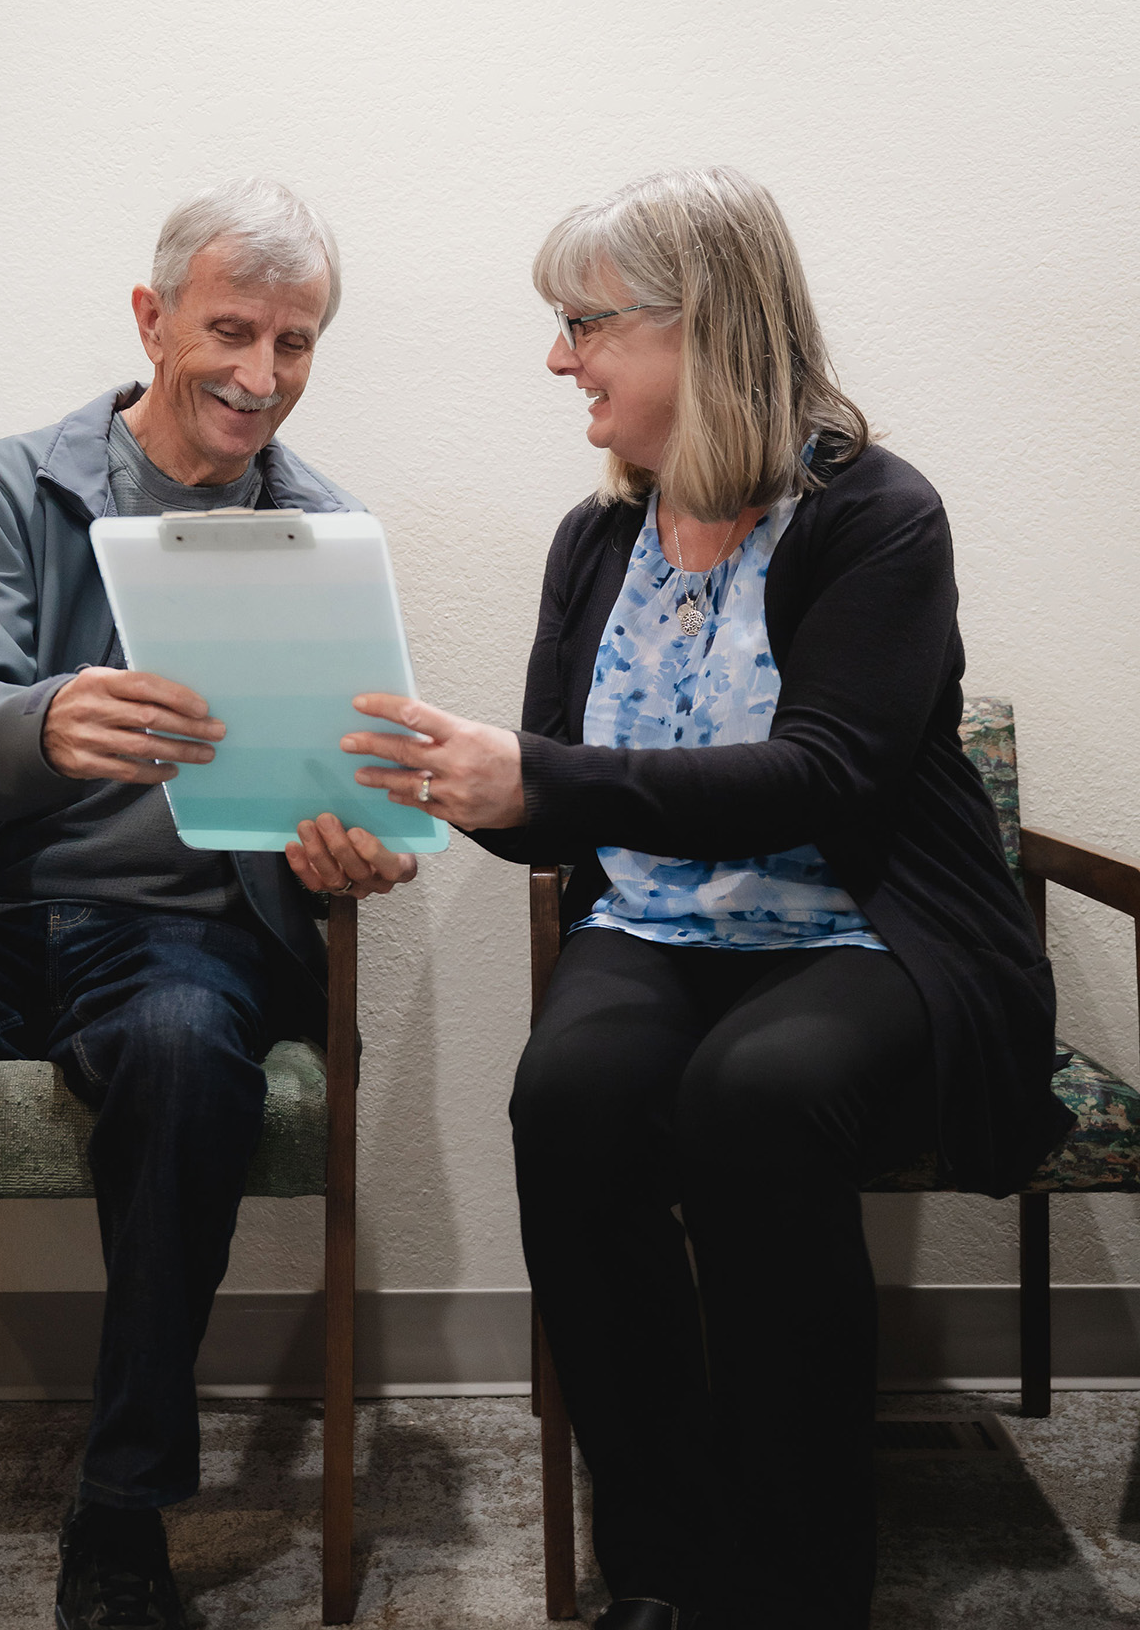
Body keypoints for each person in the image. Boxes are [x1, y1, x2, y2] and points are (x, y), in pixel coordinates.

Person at [340, 168, 1071, 1630]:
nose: (560, 359)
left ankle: (796, 1583)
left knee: (756, 1094)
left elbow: (827, 777)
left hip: (868, 926)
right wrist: (443, 790)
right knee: (572, 1095)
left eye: (584, 322)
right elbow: (559, 819)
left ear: (707, 327)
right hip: (658, 926)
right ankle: (665, 1562)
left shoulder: (877, 517)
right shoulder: (596, 539)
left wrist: (541, 773)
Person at [0, 178, 414, 1630]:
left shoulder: (324, 528)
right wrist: (43, 724)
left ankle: (124, 1515)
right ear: (151, 316)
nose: (260, 374)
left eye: (296, 343)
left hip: (181, 928)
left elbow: (345, 782)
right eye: (232, 329)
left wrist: (353, 842)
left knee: (185, 1060)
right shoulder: (14, 484)